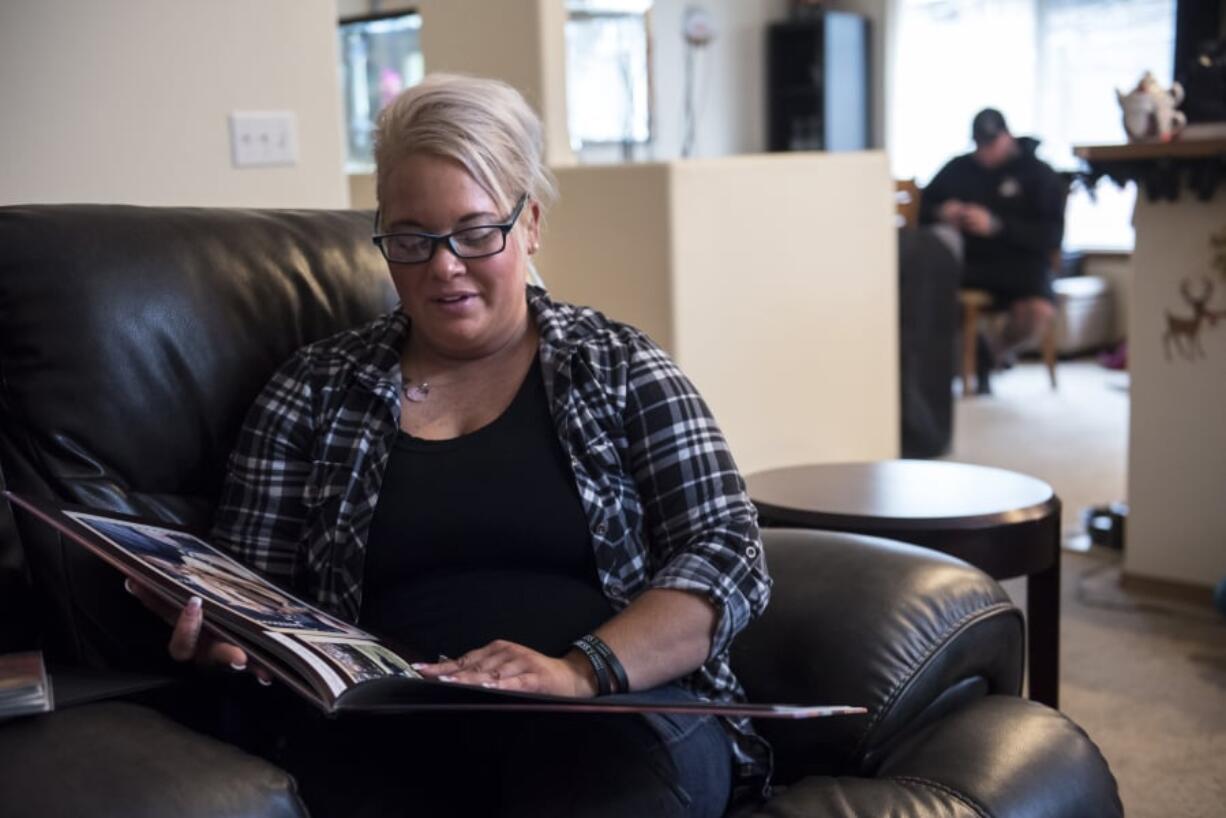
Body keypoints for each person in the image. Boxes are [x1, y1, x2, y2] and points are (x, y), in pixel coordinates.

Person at [128, 73, 771, 818]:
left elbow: (729, 551)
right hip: (389, 734)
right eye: (411, 238)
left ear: (528, 224)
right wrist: (223, 641)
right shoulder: (311, 390)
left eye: (475, 232)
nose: (443, 266)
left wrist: (580, 671)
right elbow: (253, 596)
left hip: (612, 722)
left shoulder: (618, 367)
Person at [920, 108, 1066, 377]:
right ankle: (943, 363)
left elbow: (1051, 235)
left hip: (1022, 263)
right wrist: (942, 212)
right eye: (979, 145)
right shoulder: (958, 168)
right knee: (928, 279)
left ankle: (989, 354)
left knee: (1037, 312)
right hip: (970, 263)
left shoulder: (1039, 174)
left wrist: (997, 226)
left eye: (991, 144)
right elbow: (924, 207)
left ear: (1007, 136)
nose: (985, 152)